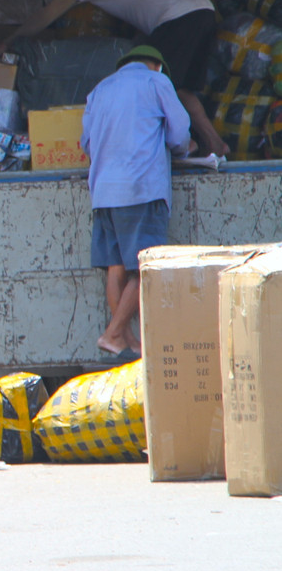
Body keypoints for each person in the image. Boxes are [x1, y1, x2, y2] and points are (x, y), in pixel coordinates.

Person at [0, 0, 228, 157]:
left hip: (177, 19)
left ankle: (183, 145)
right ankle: (215, 143)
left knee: (148, 87)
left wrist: (7, 42)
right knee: (181, 89)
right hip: (203, 11)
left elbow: (46, 16)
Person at [80, 45, 193, 360]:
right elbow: (180, 134)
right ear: (156, 65)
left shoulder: (100, 89)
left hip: (103, 192)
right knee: (145, 267)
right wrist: (181, 147)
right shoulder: (156, 82)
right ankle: (114, 333)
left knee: (115, 266)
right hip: (140, 188)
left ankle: (125, 341)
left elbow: (86, 143)